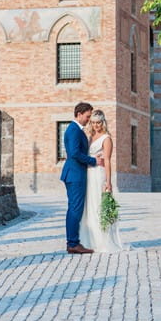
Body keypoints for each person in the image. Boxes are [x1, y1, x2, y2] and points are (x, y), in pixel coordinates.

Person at [79, 110, 125, 252]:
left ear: (103, 122)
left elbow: (108, 161)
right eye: (93, 122)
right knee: (90, 206)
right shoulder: (90, 137)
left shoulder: (106, 138)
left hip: (99, 175)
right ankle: (90, 240)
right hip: (88, 174)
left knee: (99, 205)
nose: (96, 125)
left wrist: (108, 182)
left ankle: (103, 240)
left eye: (98, 122)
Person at [60, 102, 103, 254]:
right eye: (87, 116)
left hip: (75, 174)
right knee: (75, 210)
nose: (88, 120)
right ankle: (73, 243)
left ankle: (73, 242)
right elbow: (74, 153)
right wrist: (93, 161)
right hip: (74, 175)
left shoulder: (77, 130)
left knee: (74, 208)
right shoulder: (73, 130)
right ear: (79, 114)